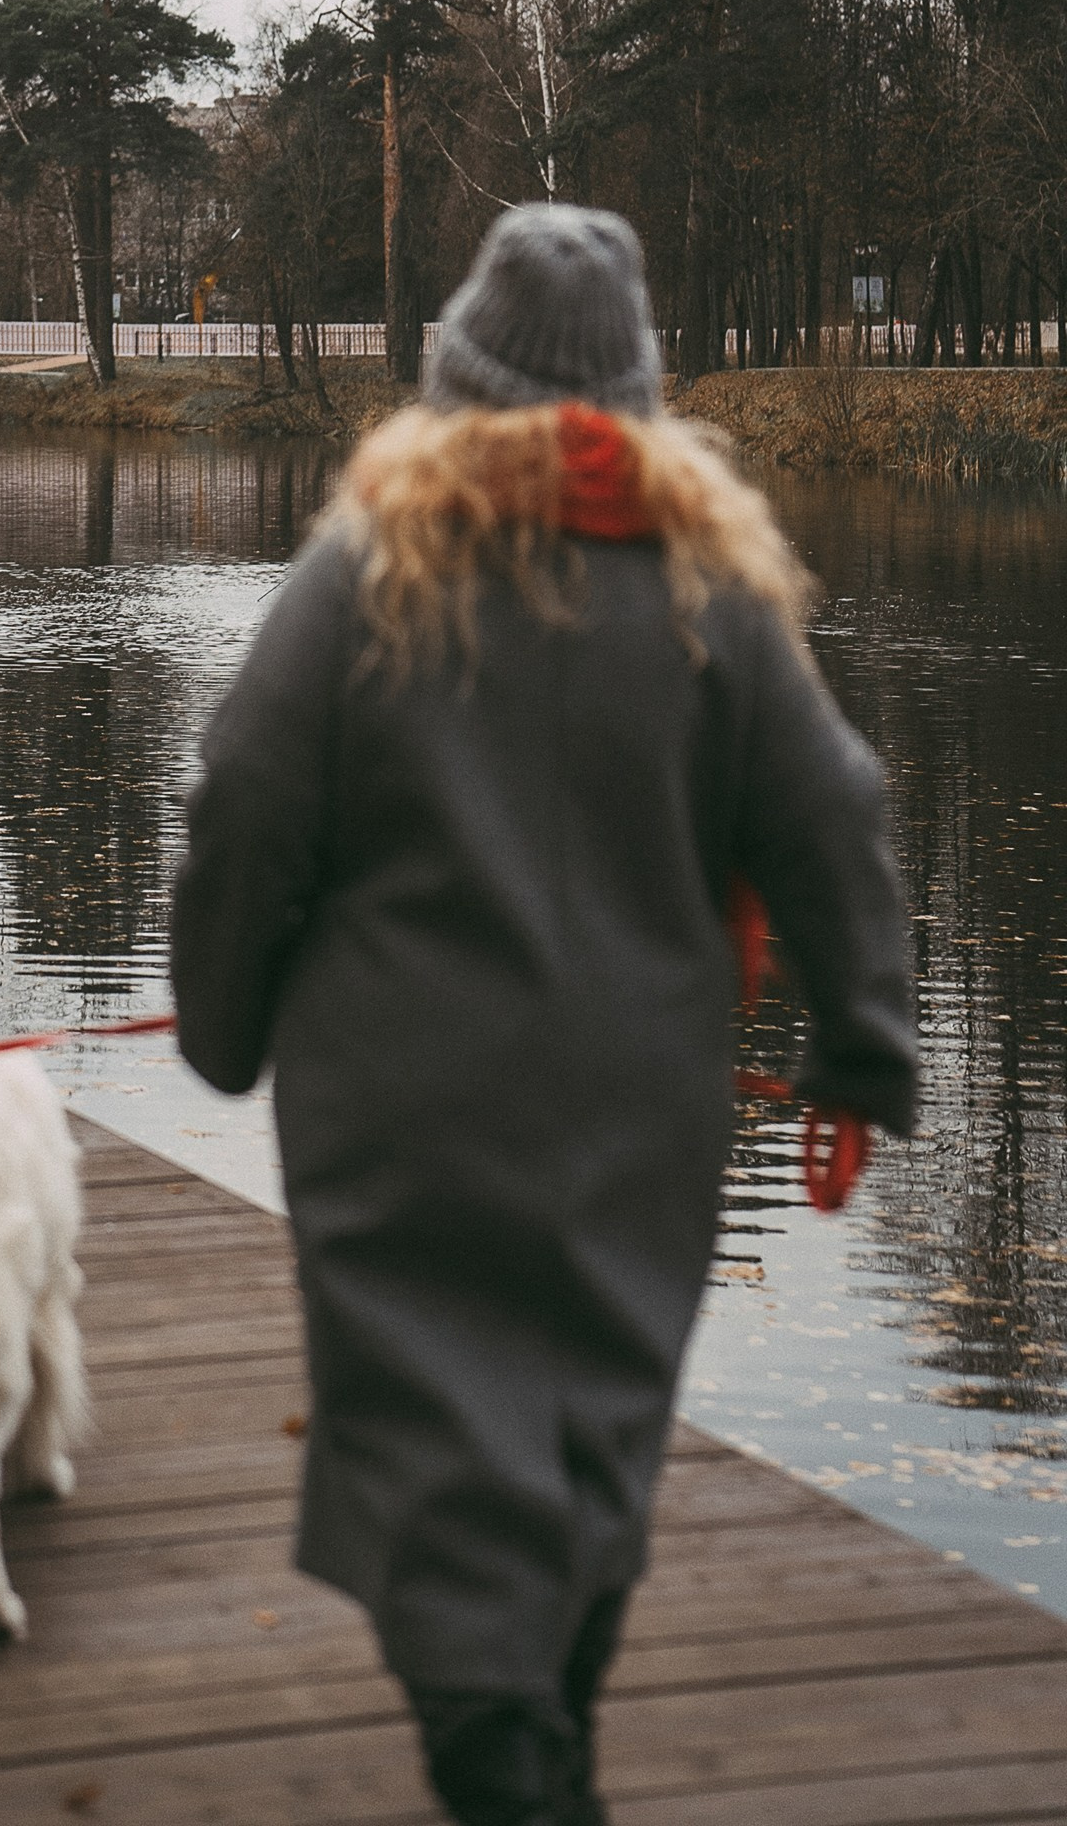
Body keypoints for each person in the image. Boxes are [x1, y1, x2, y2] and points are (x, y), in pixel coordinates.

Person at [170, 206, 917, 1826]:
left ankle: (506, 1751)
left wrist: (222, 1026)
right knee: (600, 1401)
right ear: (639, 400)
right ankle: (549, 1713)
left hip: (402, 1106)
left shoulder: (371, 570)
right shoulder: (713, 591)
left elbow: (247, 804)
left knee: (431, 1417)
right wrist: (862, 1050)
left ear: (458, 382)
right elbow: (832, 813)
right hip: (642, 1103)